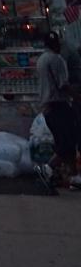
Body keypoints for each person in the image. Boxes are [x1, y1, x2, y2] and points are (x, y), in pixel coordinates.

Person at [37, 32, 80, 187]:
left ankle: (74, 177)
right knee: (68, 142)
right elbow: (63, 85)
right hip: (58, 105)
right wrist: (77, 96)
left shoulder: (42, 59)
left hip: (48, 107)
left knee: (65, 141)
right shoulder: (56, 59)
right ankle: (48, 168)